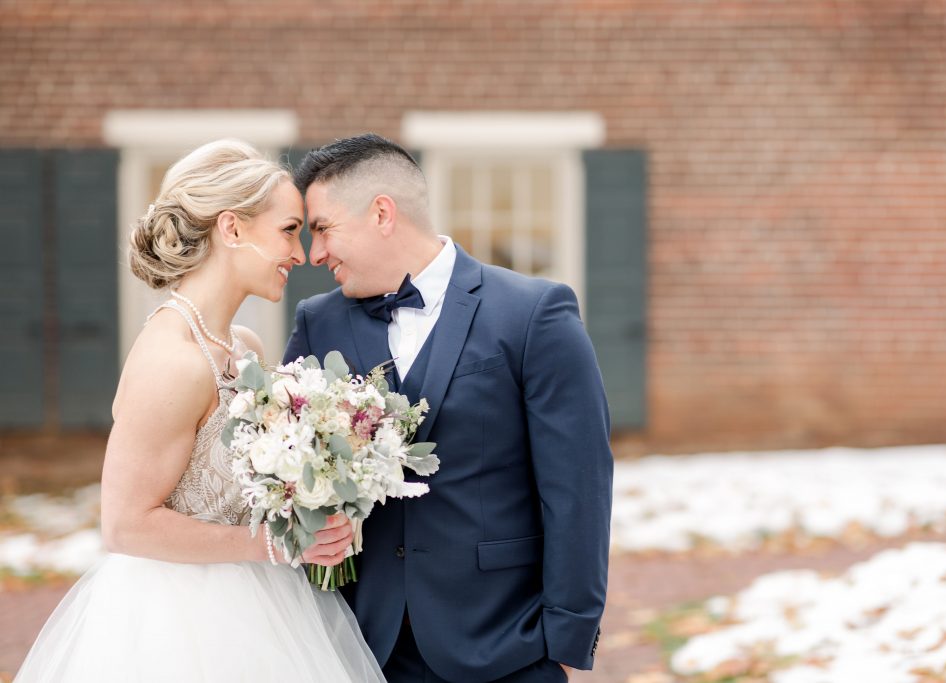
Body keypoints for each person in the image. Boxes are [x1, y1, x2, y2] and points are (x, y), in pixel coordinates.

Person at [15, 139, 384, 682]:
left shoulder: (245, 347)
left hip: (268, 607)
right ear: (231, 229)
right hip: (176, 622)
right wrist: (276, 545)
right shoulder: (172, 361)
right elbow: (124, 526)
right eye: (287, 231)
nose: (301, 255)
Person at [284, 134, 614, 682]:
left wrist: (566, 636)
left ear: (382, 213)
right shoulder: (318, 323)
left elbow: (578, 488)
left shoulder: (533, 314)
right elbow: (293, 472)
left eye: (321, 228)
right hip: (365, 647)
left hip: (506, 641)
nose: (314, 255)